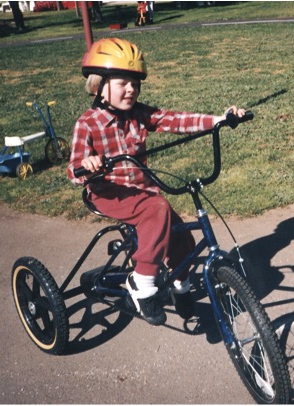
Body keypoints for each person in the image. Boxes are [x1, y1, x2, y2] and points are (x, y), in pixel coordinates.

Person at [67, 38, 246, 326]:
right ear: (99, 86)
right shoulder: (88, 123)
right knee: (157, 208)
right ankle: (142, 284)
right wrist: (86, 165)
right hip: (107, 193)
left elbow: (175, 121)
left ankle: (180, 286)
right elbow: (74, 167)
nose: (131, 90)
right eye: (123, 82)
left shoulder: (139, 114)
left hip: (141, 192)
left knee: (182, 238)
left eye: (135, 84)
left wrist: (219, 120)